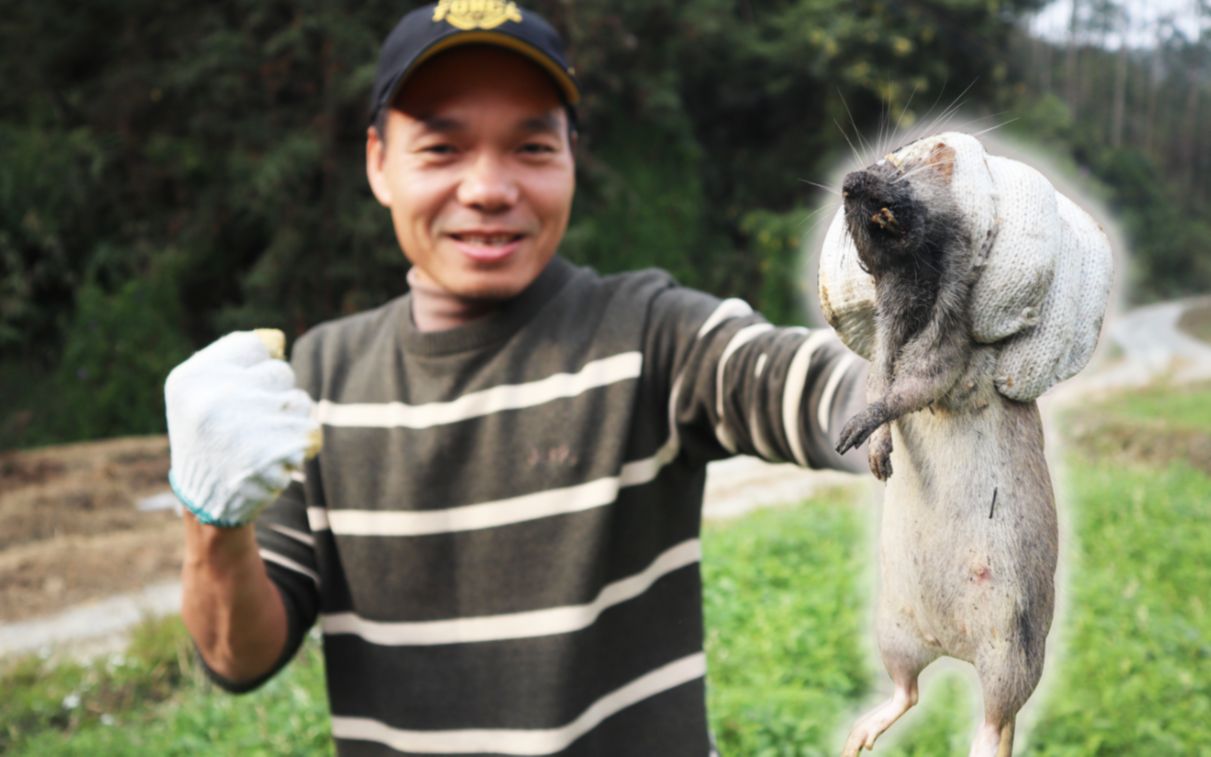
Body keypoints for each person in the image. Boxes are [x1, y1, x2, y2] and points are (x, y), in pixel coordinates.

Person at [165, 3, 1096, 755]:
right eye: (442, 147)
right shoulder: (314, 379)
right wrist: (213, 522)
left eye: (530, 145)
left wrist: (941, 315)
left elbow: (810, 387)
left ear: (571, 157)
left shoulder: (654, 333)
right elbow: (239, 655)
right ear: (377, 163)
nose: (488, 186)